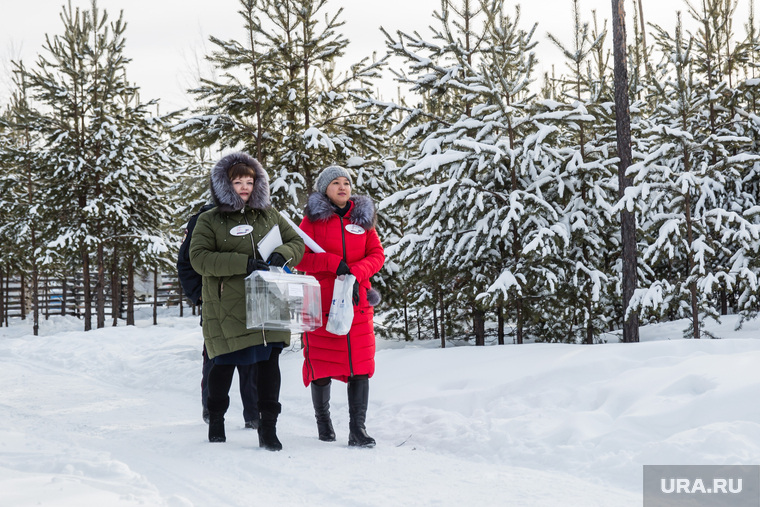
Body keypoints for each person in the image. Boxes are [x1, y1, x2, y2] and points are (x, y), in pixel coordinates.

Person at [189, 151, 305, 450]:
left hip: (269, 302)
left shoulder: (269, 215)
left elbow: (297, 242)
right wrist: (243, 263)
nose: (244, 187)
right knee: (224, 364)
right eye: (237, 181)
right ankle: (216, 418)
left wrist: (284, 254)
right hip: (228, 306)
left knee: (270, 365)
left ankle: (268, 428)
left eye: (249, 181)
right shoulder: (209, 219)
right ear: (224, 185)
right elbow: (199, 259)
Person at [295, 165, 385, 447]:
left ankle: (358, 430)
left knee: (360, 365)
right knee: (322, 366)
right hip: (321, 304)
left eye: (346, 182)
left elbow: (377, 255)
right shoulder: (311, 222)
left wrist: (356, 271)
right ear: (325, 190)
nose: (343, 187)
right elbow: (300, 259)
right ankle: (323, 422)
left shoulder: (363, 220)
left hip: (356, 303)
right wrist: (332, 263)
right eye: (335, 183)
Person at [176, 202, 260, 430]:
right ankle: (212, 410)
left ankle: (254, 413)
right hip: (217, 301)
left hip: (250, 298)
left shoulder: (255, 216)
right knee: (216, 356)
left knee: (252, 356)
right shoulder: (202, 219)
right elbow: (186, 263)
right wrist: (201, 296)